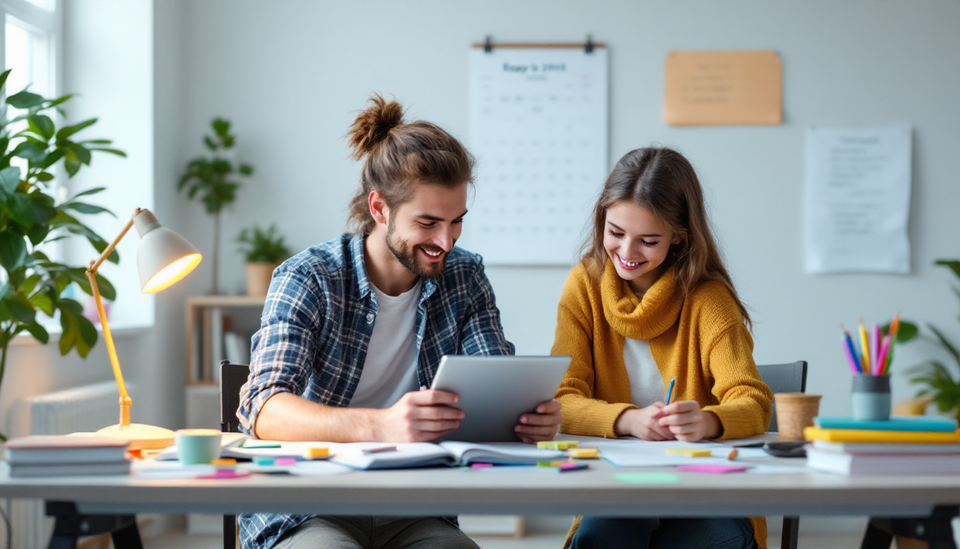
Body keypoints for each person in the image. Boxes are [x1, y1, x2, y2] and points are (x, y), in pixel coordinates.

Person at [236, 95, 562, 549]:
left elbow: (494, 379)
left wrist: (526, 418)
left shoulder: (464, 276)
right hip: (308, 504)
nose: (445, 241)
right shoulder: (310, 278)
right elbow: (262, 408)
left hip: (416, 505)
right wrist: (382, 425)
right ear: (379, 208)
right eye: (428, 222)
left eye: (456, 222)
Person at [551, 147, 773, 549]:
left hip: (703, 494)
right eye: (615, 233)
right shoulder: (583, 286)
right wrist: (629, 420)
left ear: (679, 237)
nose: (627, 253)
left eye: (648, 240)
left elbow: (753, 401)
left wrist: (708, 422)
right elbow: (561, 400)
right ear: (602, 219)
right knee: (601, 540)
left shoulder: (709, 299)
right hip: (616, 490)